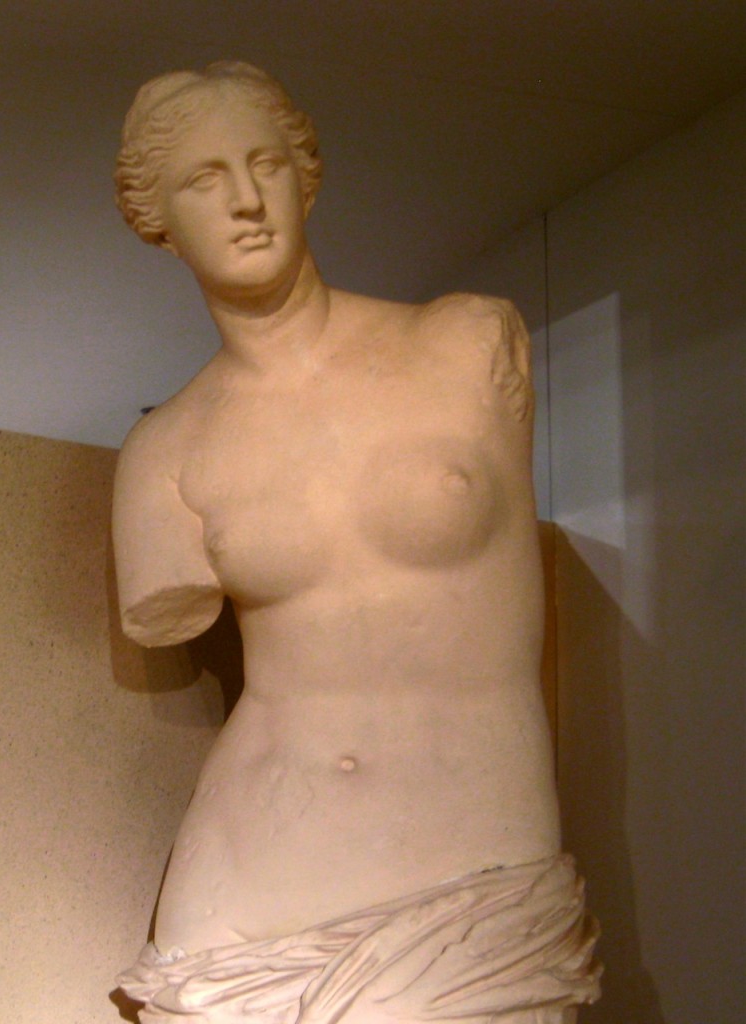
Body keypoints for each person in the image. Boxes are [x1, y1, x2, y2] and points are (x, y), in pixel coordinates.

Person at [112, 61, 600, 1024]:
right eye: (205, 179)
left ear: (306, 177)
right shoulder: (164, 449)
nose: (245, 200)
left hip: (471, 853)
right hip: (250, 878)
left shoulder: (465, 344)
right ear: (156, 219)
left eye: (265, 164)